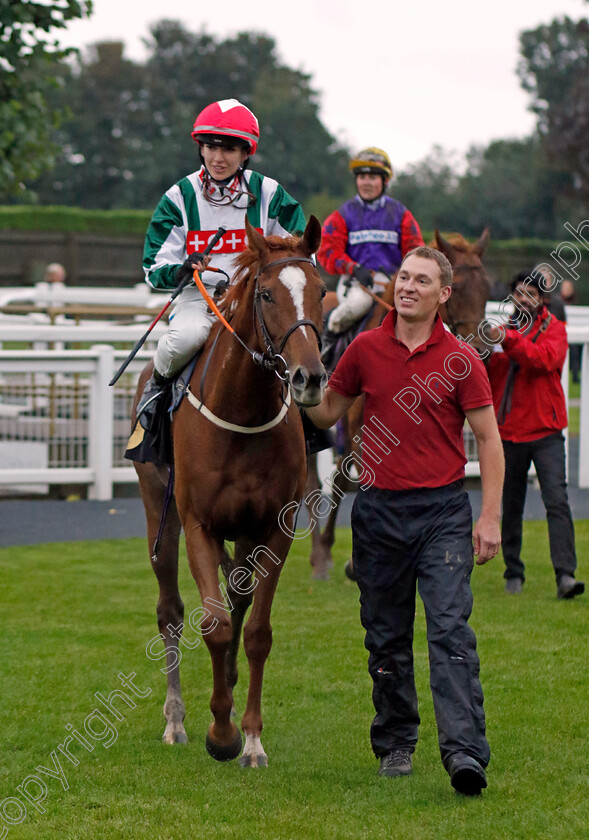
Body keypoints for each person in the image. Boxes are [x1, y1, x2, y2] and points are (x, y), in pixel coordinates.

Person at [305, 246, 504, 795]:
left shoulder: (462, 357)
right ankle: (395, 743)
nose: (409, 287)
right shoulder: (365, 348)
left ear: (445, 294)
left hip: (442, 513)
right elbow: (326, 412)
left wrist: (489, 517)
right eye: (403, 279)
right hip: (377, 514)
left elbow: (488, 439)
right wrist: (300, 386)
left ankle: (465, 752)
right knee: (386, 638)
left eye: (422, 281)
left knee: (449, 631)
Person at [137, 98, 306, 427]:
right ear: (200, 148)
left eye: (228, 149)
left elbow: (298, 248)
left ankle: (308, 427)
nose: (218, 157)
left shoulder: (269, 193)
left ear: (246, 153)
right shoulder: (178, 196)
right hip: (199, 297)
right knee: (186, 337)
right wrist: (183, 268)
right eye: (210, 147)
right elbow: (153, 268)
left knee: (299, 344)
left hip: (254, 300)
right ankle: (154, 396)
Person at [487, 271, 585, 599]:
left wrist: (506, 340)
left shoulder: (555, 329)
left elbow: (543, 360)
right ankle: (513, 572)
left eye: (530, 293)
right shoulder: (499, 334)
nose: (523, 298)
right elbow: (485, 376)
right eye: (518, 292)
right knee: (511, 505)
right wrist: (480, 350)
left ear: (542, 299)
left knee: (556, 501)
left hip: (546, 432)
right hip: (509, 433)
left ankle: (565, 576)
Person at [317, 147, 424, 334]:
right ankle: (327, 347)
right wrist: (354, 268)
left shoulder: (401, 215)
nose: (366, 183)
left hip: (395, 283)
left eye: (373, 177)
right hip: (356, 283)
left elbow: (416, 252)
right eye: (362, 177)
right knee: (358, 304)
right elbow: (327, 251)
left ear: (385, 181)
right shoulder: (342, 215)